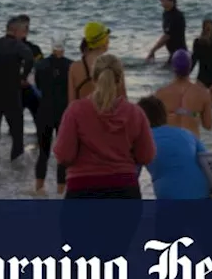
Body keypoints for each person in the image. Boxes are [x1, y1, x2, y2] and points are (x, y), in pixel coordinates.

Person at [54, 55, 156, 199]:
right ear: (120, 81)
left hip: (82, 190)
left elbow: (64, 156)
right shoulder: (135, 113)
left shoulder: (75, 111)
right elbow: (146, 156)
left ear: (94, 79)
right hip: (125, 191)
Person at [0, 17, 36, 165]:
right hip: (11, 94)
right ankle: (16, 169)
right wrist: (23, 77)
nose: (25, 34)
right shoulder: (19, 46)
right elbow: (29, 58)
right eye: (25, 30)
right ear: (17, 30)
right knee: (17, 134)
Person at [140, 96, 210, 200]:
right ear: (164, 115)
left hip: (169, 197)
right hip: (202, 194)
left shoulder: (142, 140)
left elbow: (130, 174)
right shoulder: (186, 133)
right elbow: (208, 161)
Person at [34, 35, 72, 194]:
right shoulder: (71, 66)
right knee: (62, 154)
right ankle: (60, 190)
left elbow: (39, 86)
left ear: (51, 47)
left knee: (43, 152)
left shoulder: (41, 65)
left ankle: (39, 188)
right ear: (64, 47)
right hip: (63, 112)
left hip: (44, 111)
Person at [154, 49, 212, 139]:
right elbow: (208, 125)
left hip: (170, 142)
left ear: (173, 67)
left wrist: (172, 112)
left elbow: (154, 126)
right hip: (192, 145)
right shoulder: (203, 93)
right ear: (190, 67)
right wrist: (193, 114)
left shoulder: (160, 94)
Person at [70, 22, 125, 103]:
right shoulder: (115, 65)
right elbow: (123, 103)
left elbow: (71, 104)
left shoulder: (75, 68)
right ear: (104, 41)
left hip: (83, 115)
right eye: (107, 38)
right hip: (110, 115)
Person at [146, 0, 187, 64]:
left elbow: (167, 36)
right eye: (161, 1)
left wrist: (153, 50)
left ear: (171, 1)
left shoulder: (177, 16)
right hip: (172, 53)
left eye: (164, 1)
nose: (162, 4)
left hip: (180, 53)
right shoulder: (165, 14)